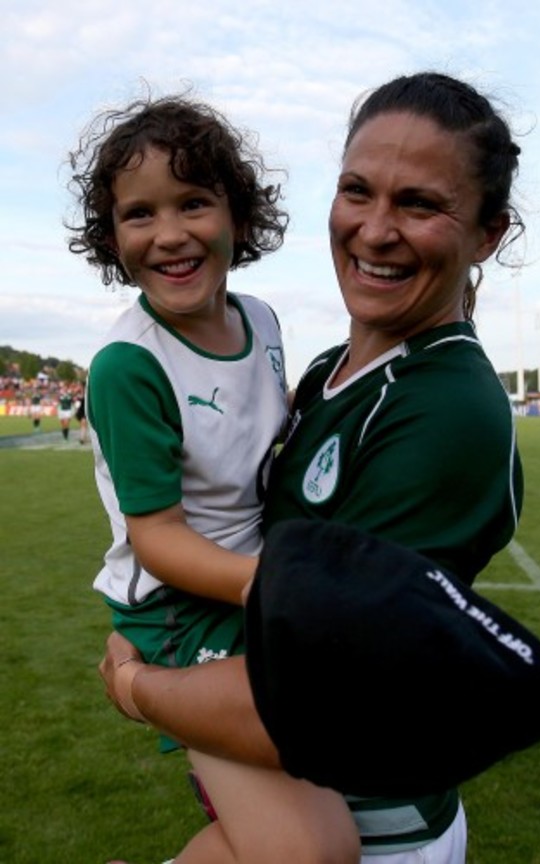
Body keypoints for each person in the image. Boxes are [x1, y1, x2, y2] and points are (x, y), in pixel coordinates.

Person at [100, 70, 526, 863]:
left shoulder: (447, 409)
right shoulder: (327, 369)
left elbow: (329, 685)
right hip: (282, 789)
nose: (374, 229)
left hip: (379, 833)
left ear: (490, 231)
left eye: (420, 203)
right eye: (357, 191)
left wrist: (136, 690)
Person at [68, 93, 360, 864]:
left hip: (240, 591)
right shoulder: (130, 366)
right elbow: (157, 538)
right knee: (316, 852)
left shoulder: (260, 318)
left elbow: (257, 430)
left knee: (310, 834)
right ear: (111, 236)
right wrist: (274, 586)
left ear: (237, 214)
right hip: (179, 609)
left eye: (193, 202)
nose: (169, 235)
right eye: (139, 214)